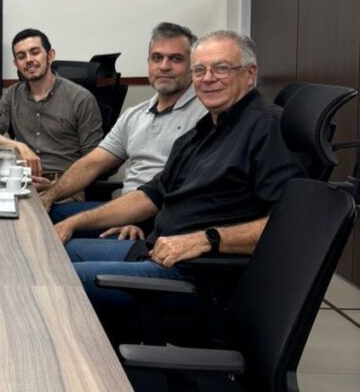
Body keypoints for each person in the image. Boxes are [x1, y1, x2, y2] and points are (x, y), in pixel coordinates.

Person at [56, 30, 305, 341]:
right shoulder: (204, 129)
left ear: (250, 74)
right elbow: (151, 195)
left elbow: (290, 227)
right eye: (200, 70)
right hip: (155, 251)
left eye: (221, 68)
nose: (208, 78)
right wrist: (74, 222)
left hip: (197, 276)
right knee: (54, 253)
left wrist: (207, 239)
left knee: (54, 279)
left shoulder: (268, 128)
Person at [42, 22, 205, 223]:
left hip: (161, 220)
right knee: (39, 215)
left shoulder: (205, 115)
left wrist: (139, 223)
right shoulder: (135, 115)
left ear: (193, 65)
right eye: (157, 58)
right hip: (123, 210)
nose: (164, 66)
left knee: (62, 235)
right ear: (148, 63)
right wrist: (49, 196)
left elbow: (189, 190)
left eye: (176, 59)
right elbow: (92, 164)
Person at [0, 28, 103, 183]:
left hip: (65, 185)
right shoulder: (12, 94)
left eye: (35, 52)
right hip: (23, 181)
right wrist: (18, 146)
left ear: (50, 56)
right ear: (16, 64)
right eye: (21, 56)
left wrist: (55, 186)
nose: (28, 60)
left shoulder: (81, 98)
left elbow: (94, 162)